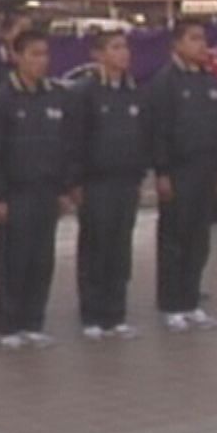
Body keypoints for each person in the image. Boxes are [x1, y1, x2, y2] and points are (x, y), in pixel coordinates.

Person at [0, 28, 77, 349]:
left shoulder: (55, 97)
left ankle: (33, 321)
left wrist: (63, 190)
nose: (40, 61)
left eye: (44, 54)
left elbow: (64, 146)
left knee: (41, 258)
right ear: (18, 58)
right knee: (13, 259)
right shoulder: (0, 100)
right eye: (33, 54)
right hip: (15, 193)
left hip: (46, 192)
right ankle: (9, 324)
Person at [148, 19, 217, 332]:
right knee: (175, 238)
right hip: (178, 171)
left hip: (206, 170)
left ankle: (191, 299)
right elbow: (159, 132)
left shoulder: (211, 83)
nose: (202, 45)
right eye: (194, 39)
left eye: (203, 39)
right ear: (177, 44)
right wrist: (163, 172)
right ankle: (171, 304)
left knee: (199, 238)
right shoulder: (165, 83)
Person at [70, 29, 148, 341]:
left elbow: (142, 136)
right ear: (98, 55)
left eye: (125, 47)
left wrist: (139, 175)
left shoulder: (133, 91)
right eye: (115, 48)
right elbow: (74, 141)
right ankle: (92, 314)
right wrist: (75, 182)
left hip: (125, 182)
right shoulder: (84, 93)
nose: (123, 53)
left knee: (120, 248)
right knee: (95, 248)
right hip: (95, 183)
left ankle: (115, 314)